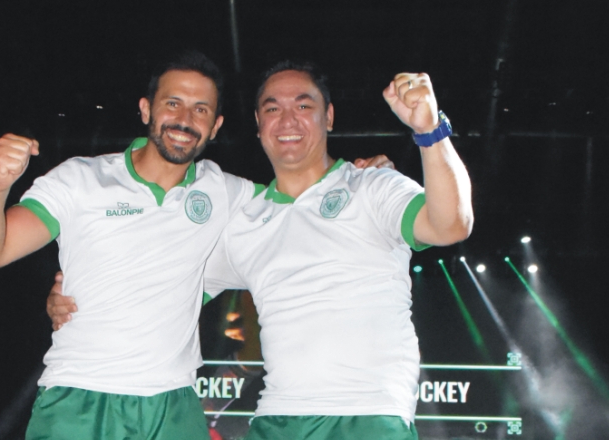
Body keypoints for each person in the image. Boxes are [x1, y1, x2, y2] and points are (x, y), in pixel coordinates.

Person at [0, 51, 391, 440]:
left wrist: (363, 175)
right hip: (81, 397)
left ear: (215, 126)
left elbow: (306, 205)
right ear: (146, 109)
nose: (185, 119)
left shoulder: (228, 193)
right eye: (173, 103)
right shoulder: (80, 179)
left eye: (200, 109)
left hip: (174, 407)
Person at [50, 60, 473, 440]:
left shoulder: (373, 186)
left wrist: (429, 131)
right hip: (276, 420)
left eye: (303, 105)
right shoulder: (245, 220)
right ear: (257, 123)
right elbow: (162, 290)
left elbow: (452, 224)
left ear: (328, 116)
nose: (287, 119)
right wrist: (74, 299)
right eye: (272, 108)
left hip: (367, 418)